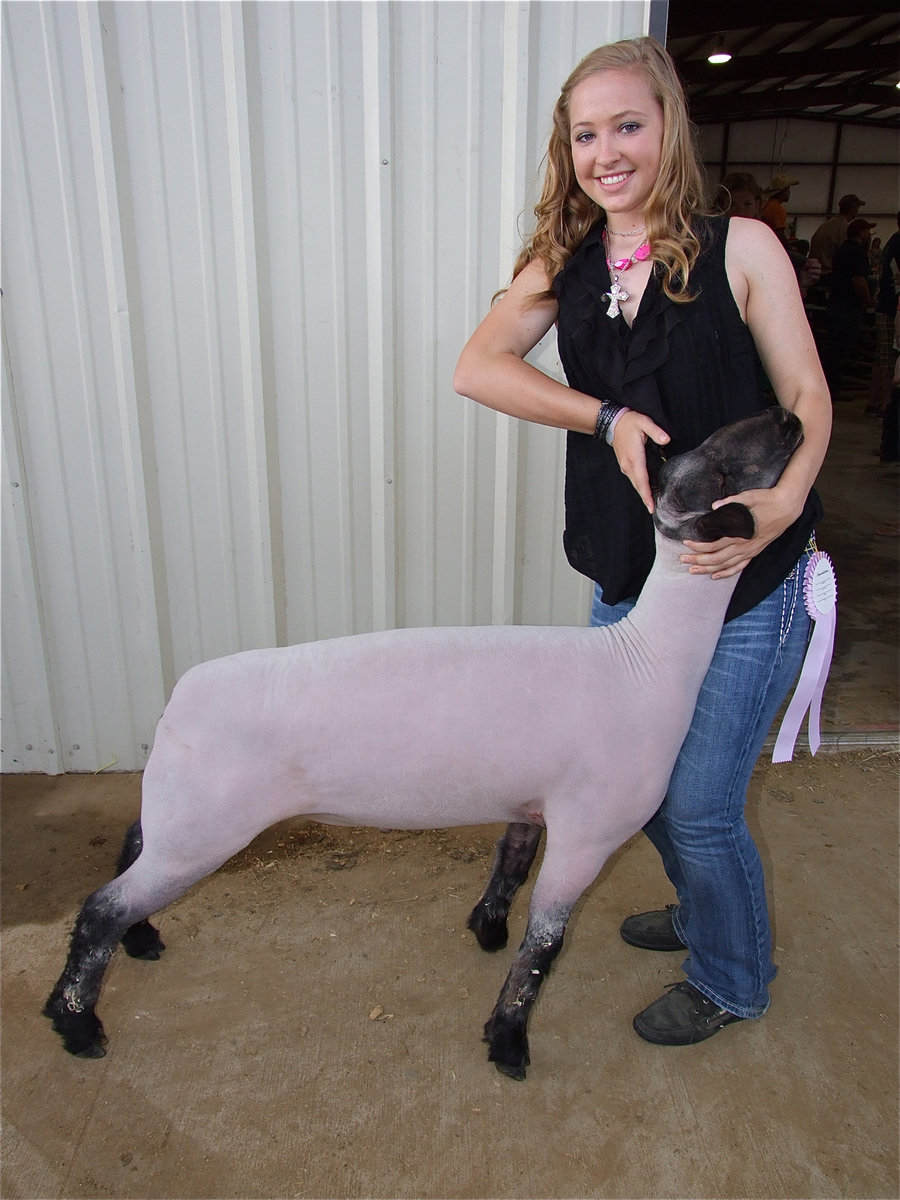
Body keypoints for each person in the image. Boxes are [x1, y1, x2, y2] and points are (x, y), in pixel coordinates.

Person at [454, 37, 831, 1046]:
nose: (607, 152)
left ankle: (733, 973)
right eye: (586, 133)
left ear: (669, 129)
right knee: (643, 787)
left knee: (701, 806)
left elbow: (805, 395)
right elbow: (478, 367)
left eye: (629, 125)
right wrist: (605, 418)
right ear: (565, 149)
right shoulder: (564, 262)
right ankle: (704, 903)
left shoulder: (741, 246)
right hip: (630, 576)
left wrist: (787, 502)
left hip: (742, 577)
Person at [820, 217, 876, 402]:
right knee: (841, 349)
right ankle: (834, 388)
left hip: (836, 303)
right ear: (861, 233)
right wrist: (867, 300)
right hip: (848, 306)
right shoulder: (857, 252)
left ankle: (827, 386)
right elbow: (858, 280)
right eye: (867, 230)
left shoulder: (842, 249)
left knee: (833, 348)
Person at [810, 194, 866, 278]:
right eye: (857, 208)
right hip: (828, 273)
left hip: (815, 270)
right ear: (852, 209)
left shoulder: (828, 224)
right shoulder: (843, 227)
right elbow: (845, 254)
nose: (858, 211)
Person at [760, 173, 798, 245]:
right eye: (788, 189)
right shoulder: (777, 208)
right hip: (771, 244)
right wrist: (789, 247)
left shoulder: (769, 204)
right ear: (783, 191)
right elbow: (780, 235)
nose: (789, 192)